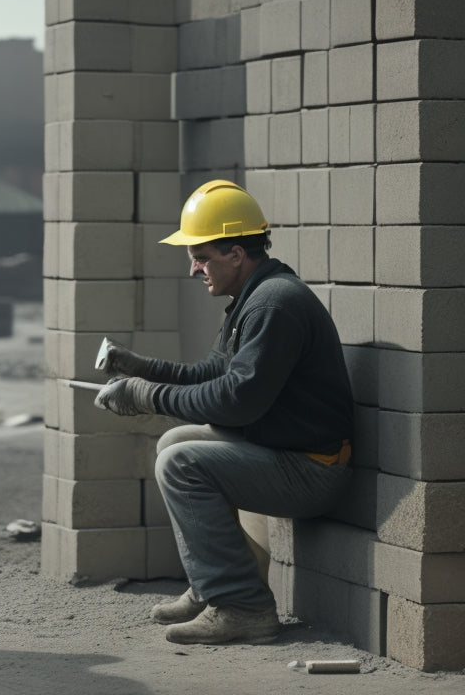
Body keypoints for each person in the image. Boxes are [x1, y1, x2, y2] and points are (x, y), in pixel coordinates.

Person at [93, 180, 354, 646]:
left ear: (236, 253)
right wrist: (142, 369)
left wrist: (146, 395)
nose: (194, 269)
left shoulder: (276, 303)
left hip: (312, 470)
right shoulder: (253, 297)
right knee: (175, 443)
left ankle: (243, 607)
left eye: (202, 256)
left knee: (182, 463)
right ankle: (212, 584)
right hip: (280, 452)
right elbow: (214, 372)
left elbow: (236, 401)